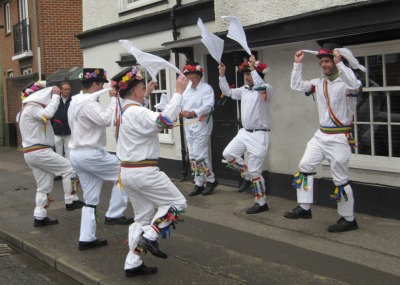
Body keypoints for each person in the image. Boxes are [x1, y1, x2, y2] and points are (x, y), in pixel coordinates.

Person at [113, 66, 188, 277]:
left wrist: (145, 95)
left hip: (127, 173)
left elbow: (142, 121)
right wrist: (179, 92)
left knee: (143, 218)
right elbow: (164, 121)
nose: (144, 89)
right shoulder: (136, 111)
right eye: (142, 87)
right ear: (136, 90)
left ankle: (133, 262)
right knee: (177, 203)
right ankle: (151, 237)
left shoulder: (124, 111)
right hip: (144, 172)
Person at [284, 43, 361, 232]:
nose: (324, 65)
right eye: (322, 62)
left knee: (341, 179)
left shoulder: (347, 84)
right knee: (305, 166)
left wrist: (340, 63)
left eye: (327, 61)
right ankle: (304, 208)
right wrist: (297, 64)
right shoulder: (319, 83)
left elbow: (355, 84)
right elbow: (295, 85)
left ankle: (349, 219)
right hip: (320, 135)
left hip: (339, 138)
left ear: (336, 61)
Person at [68, 68, 133, 251]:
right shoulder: (88, 103)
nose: (103, 87)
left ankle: (87, 238)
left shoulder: (75, 101)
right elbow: (106, 119)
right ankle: (114, 213)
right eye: (102, 84)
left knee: (90, 199)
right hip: (90, 154)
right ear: (95, 84)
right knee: (125, 172)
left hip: (77, 154)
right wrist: (113, 99)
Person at [17, 81, 84, 227]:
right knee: (69, 168)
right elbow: (47, 114)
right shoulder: (32, 108)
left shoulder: (23, 111)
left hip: (32, 152)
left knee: (44, 186)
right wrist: (55, 96)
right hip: (39, 151)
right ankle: (70, 199)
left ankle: (40, 216)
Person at [218, 55, 273, 214]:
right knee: (228, 154)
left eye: (249, 74)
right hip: (244, 133)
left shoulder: (266, 90)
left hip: (260, 135)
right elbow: (227, 92)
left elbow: (261, 87)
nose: (247, 77)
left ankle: (261, 202)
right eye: (246, 74)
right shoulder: (243, 90)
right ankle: (247, 175)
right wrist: (222, 74)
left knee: (257, 171)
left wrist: (253, 69)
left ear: (258, 74)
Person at [181, 61, 218, 196]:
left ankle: (211, 179)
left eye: (192, 74)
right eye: (188, 75)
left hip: (201, 124)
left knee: (200, 155)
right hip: (188, 124)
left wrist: (193, 112)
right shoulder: (186, 90)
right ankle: (199, 183)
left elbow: (209, 106)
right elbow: (181, 104)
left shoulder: (206, 89)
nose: (190, 77)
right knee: (192, 155)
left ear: (199, 75)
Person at [51, 82, 72, 181]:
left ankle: (68, 172)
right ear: (61, 90)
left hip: (68, 131)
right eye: (65, 89)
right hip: (57, 131)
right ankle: (59, 173)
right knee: (58, 154)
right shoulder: (56, 101)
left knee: (68, 153)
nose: (67, 91)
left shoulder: (72, 101)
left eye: (69, 89)